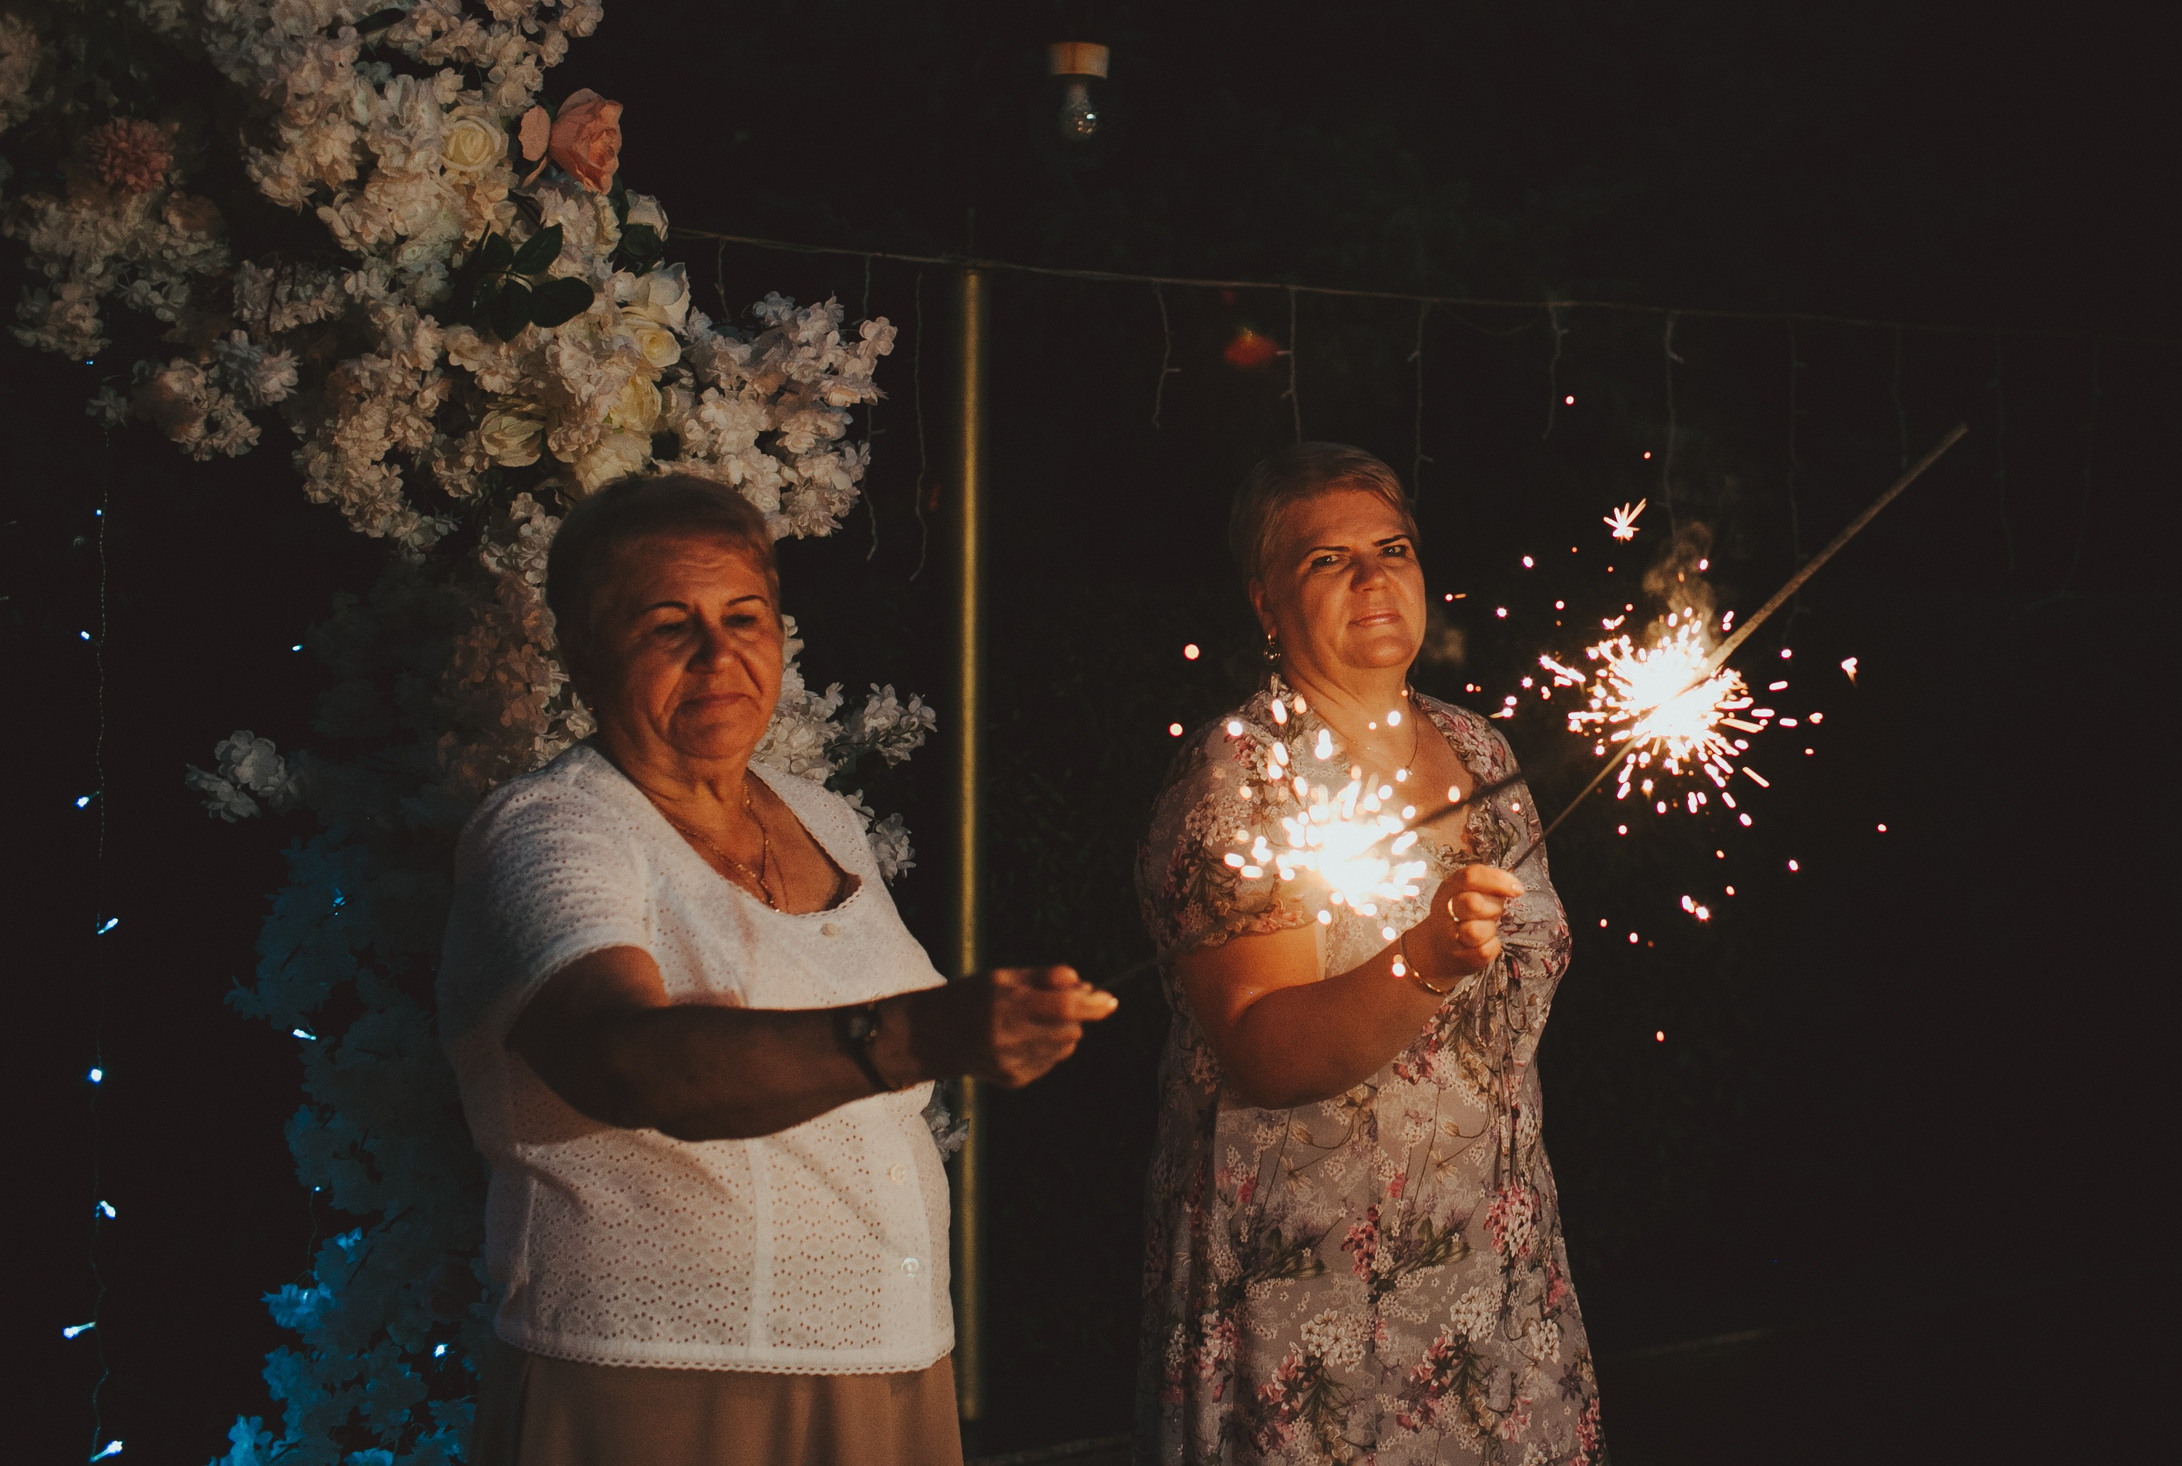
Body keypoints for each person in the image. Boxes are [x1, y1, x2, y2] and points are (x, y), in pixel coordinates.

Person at [438, 473, 1117, 1466]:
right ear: (581, 655)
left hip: (889, 1359)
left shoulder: (824, 818)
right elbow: (622, 1061)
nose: (718, 655)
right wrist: (922, 1034)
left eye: (744, 618)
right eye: (668, 624)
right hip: (669, 1383)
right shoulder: (550, 829)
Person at [1134, 442, 1604, 1464]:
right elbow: (1265, 1049)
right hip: (1314, 1288)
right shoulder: (1244, 775)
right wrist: (1425, 958)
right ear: (1264, 604)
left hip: (1494, 1259)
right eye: (1324, 559)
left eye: (1391, 547)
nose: (1372, 575)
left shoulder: (1481, 749)